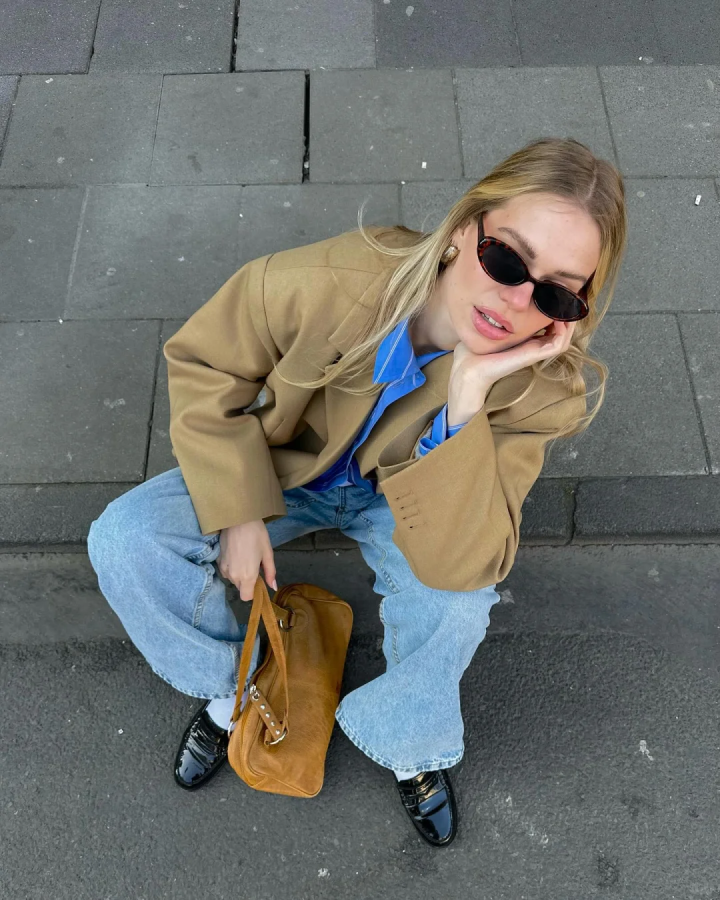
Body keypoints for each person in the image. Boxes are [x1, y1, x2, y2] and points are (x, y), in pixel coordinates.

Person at [87, 137, 626, 848]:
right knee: (126, 539)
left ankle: (409, 741)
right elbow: (207, 362)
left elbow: (465, 561)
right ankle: (236, 688)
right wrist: (240, 509)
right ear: (463, 229)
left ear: (574, 308)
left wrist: (467, 395)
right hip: (285, 470)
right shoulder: (327, 283)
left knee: (458, 605)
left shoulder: (543, 392)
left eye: (555, 292)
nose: (517, 299)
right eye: (506, 259)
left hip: (407, 504)